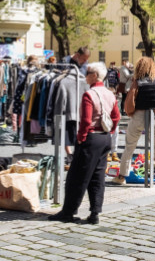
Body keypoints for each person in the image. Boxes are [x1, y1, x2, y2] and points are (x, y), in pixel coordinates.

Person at [49, 62, 119, 225]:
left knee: (76, 176)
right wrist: (110, 130)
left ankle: (68, 211)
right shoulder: (110, 94)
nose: (85, 75)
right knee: (98, 176)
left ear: (94, 76)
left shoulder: (89, 94)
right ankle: (95, 212)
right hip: (104, 138)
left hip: (91, 138)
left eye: (88, 73)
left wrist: (81, 137)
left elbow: (86, 121)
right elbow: (116, 116)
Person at [113, 57, 155, 185]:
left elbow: (130, 102)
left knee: (129, 146)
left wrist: (130, 112)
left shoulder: (137, 83)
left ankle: (122, 176)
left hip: (138, 115)